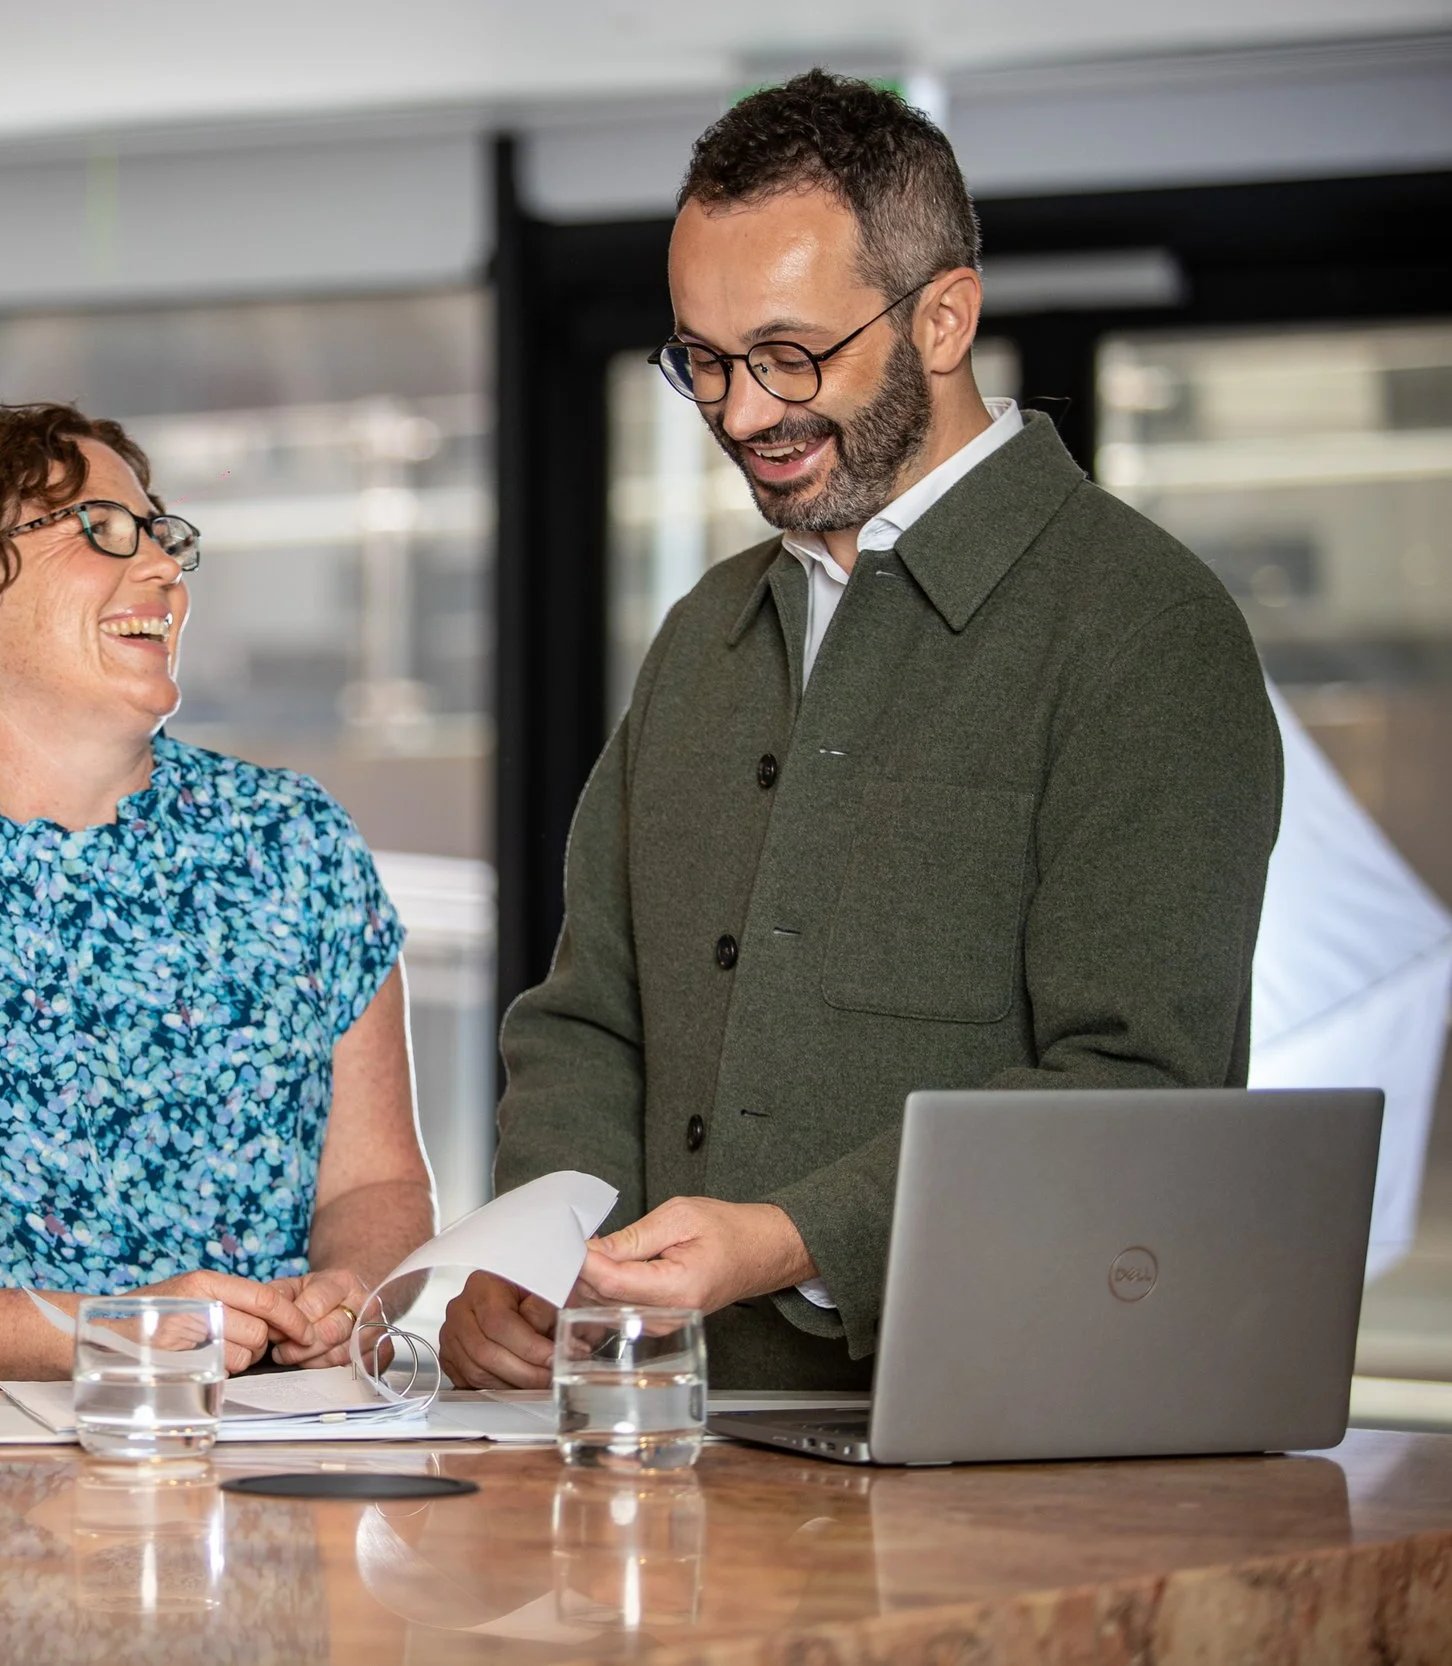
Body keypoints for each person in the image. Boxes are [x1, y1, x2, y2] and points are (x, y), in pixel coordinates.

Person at [440, 72, 1281, 1391]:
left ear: (943, 318)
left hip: (991, 1441)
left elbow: (1136, 1083)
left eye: (790, 354)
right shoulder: (705, 631)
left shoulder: (1145, 628)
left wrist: (789, 1238)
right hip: (672, 1431)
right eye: (703, 361)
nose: (738, 412)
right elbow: (592, 1013)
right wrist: (541, 1245)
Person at [0, 401, 436, 1386]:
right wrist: (98, 1330)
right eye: (103, 531)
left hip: (272, 1480)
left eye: (160, 536)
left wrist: (352, 1286)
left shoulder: (295, 842)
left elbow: (379, 1180)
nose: (162, 570)